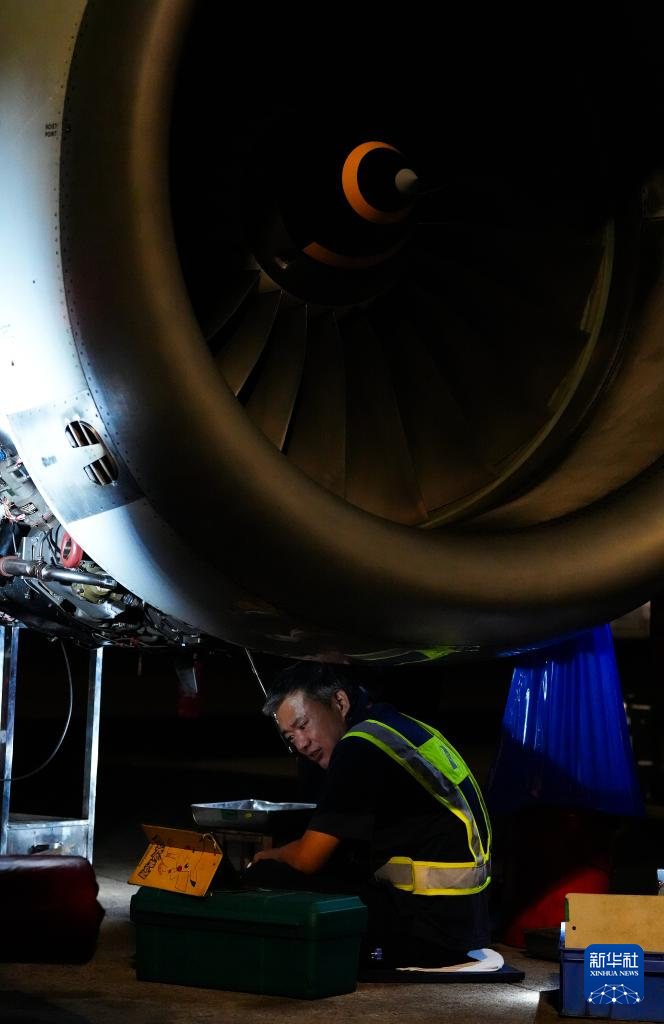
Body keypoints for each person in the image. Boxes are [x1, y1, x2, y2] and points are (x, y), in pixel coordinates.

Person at [245, 662, 493, 969]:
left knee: (264, 875)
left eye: (303, 724)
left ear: (339, 702)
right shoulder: (393, 727)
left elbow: (309, 858)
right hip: (464, 923)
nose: (302, 743)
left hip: (427, 932)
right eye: (290, 736)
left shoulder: (358, 747)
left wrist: (271, 855)